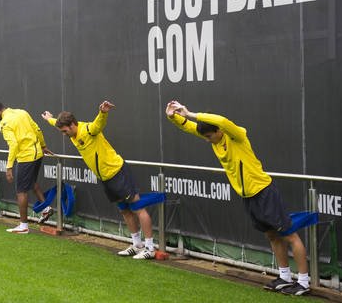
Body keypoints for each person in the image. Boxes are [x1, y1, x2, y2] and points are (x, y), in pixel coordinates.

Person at [165, 100, 310, 296]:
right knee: (271, 235)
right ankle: (284, 277)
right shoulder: (215, 140)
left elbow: (222, 120)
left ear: (219, 131)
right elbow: (192, 129)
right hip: (248, 196)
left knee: (289, 234)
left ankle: (303, 282)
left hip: (264, 191)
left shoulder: (237, 135)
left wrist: (190, 114)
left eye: (209, 136)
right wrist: (173, 117)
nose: (207, 140)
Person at [42, 101, 156, 260]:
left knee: (138, 207)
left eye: (64, 131)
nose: (63, 134)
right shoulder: (71, 131)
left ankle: (150, 248)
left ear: (73, 124)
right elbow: (57, 123)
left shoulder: (88, 130)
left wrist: (103, 112)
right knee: (124, 210)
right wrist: (49, 119)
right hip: (106, 178)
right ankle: (137, 245)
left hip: (117, 172)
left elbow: (98, 124)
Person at [0, 100, 54, 234]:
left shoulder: (4, 123)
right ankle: (46, 209)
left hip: (26, 157)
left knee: (21, 191)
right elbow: (37, 128)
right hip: (38, 154)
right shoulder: (21, 112)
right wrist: (43, 145)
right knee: (31, 182)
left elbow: (13, 145)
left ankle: (23, 225)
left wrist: (9, 167)